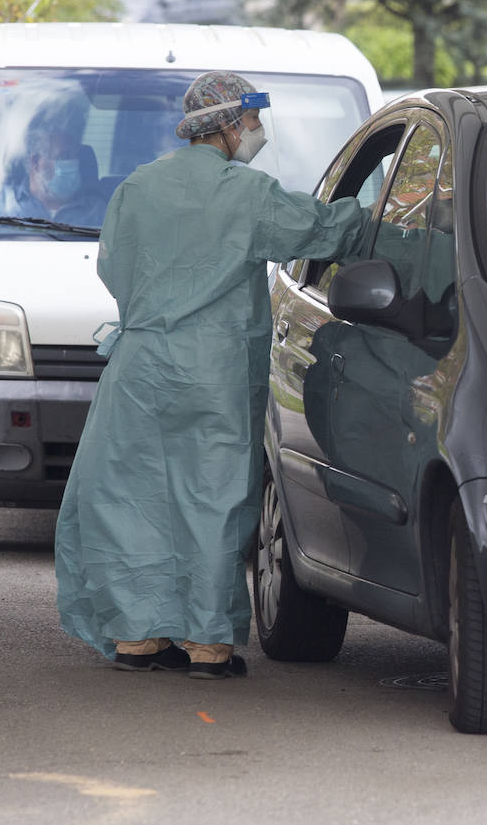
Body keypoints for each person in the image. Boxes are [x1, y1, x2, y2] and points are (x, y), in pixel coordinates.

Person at [53, 71, 369, 679]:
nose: (256, 132)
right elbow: (321, 230)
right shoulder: (246, 194)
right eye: (251, 120)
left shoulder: (137, 188)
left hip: (140, 367)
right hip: (214, 368)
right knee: (214, 497)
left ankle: (137, 638)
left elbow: (113, 269)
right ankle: (207, 645)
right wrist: (370, 211)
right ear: (227, 124)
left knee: (133, 498)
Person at [0, 103, 107, 226]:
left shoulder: (97, 211)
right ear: (36, 162)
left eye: (75, 156)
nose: (74, 164)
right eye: (64, 156)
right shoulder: (6, 206)